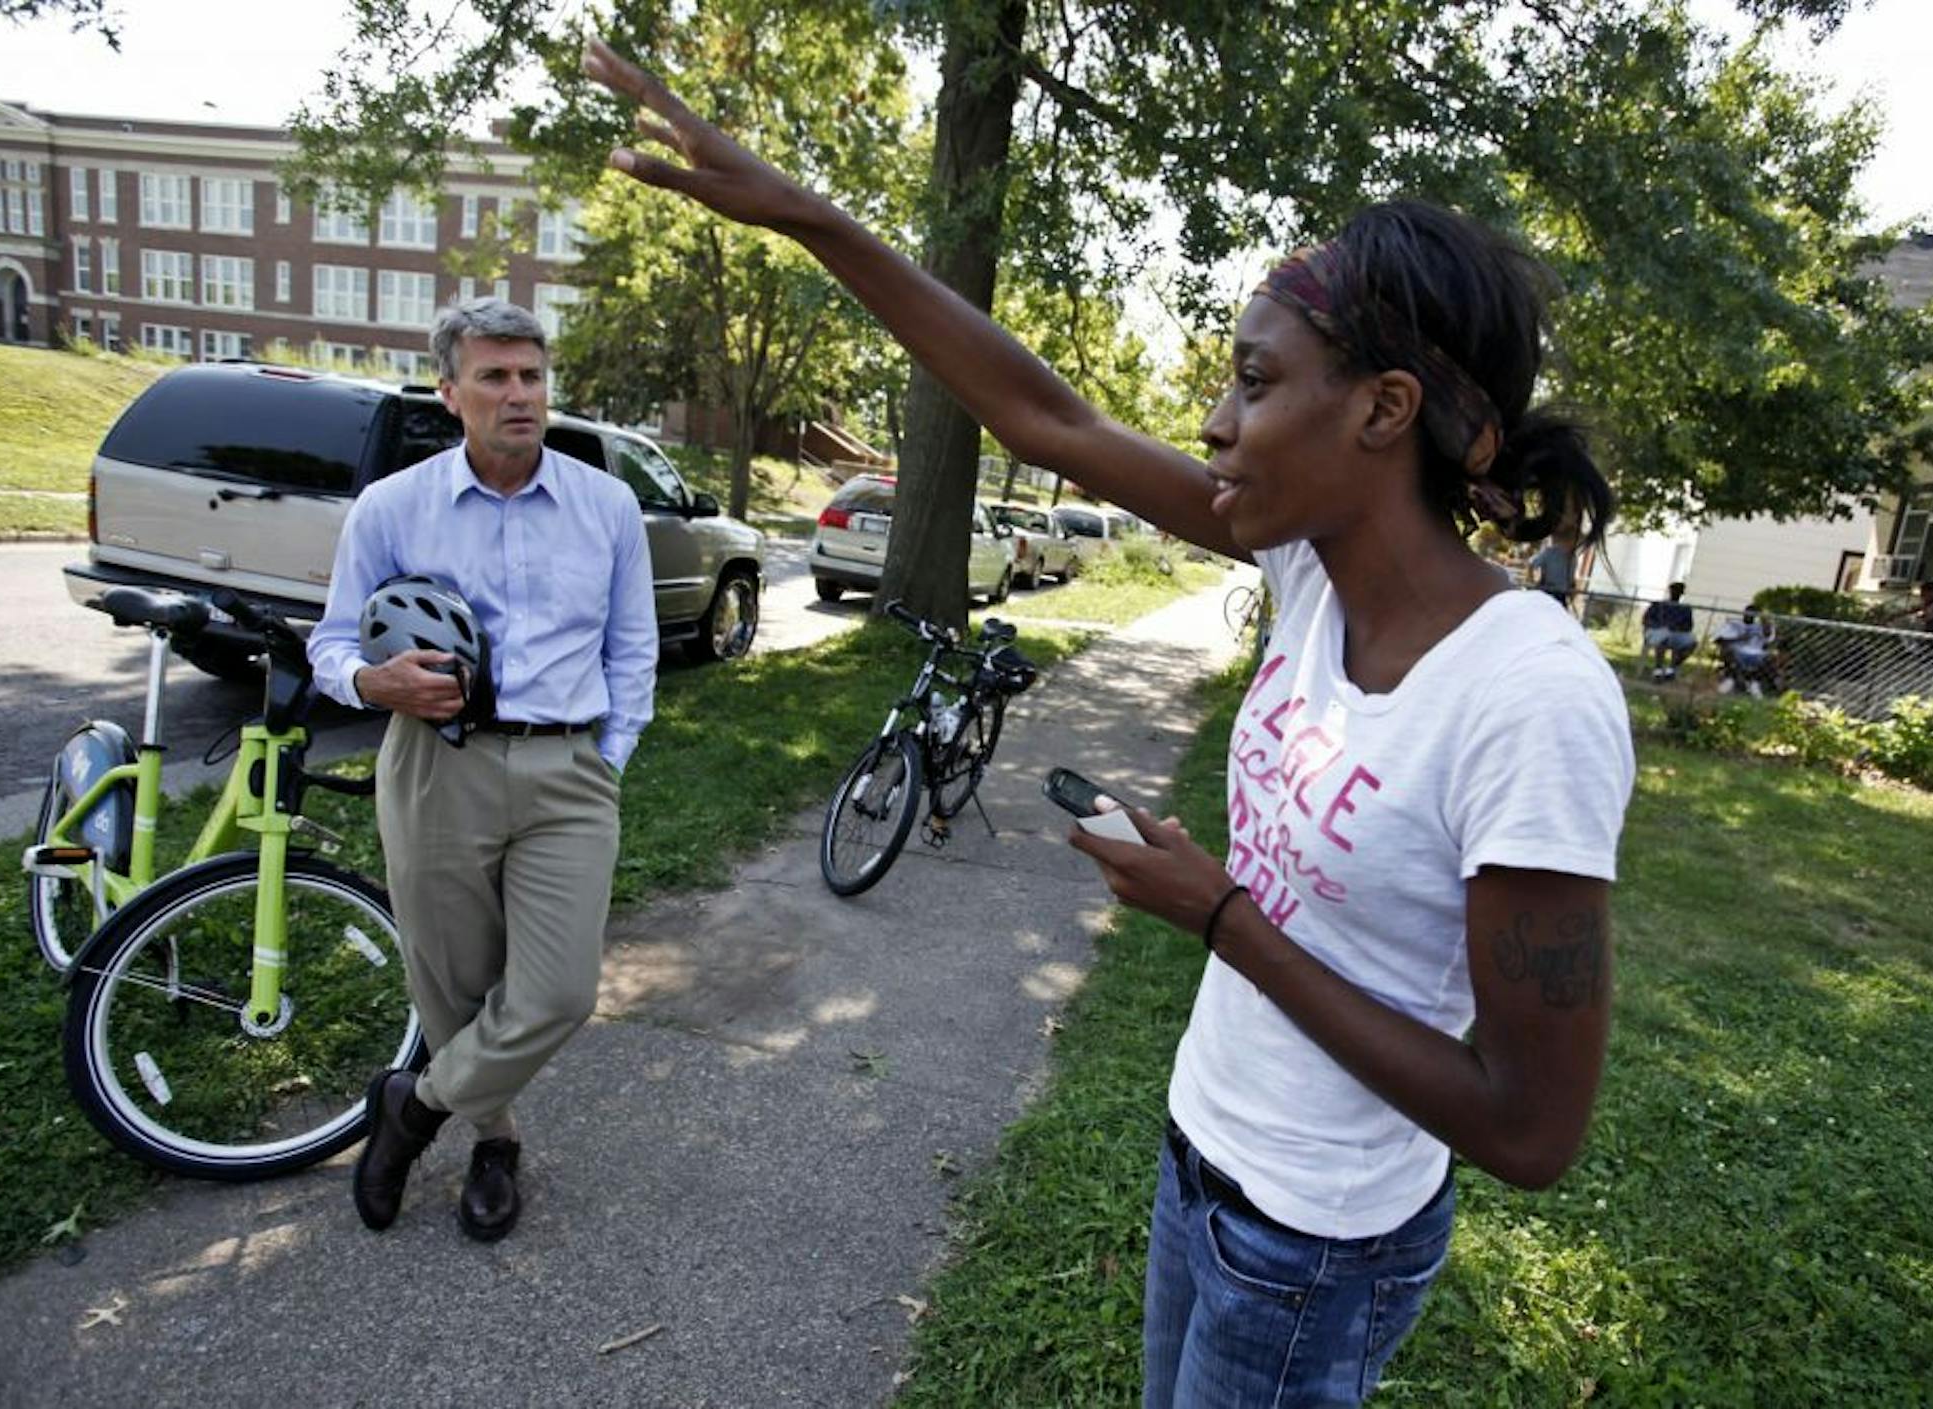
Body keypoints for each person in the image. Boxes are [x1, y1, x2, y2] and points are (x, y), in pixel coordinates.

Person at [583, 37, 1632, 1403]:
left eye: (1255, 382)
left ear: (1385, 410)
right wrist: (812, 216)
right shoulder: (1309, 568)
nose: (1213, 419)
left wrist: (1219, 916)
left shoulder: (1530, 696)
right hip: (1204, 1154)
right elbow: (1045, 415)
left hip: (1315, 1242)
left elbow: (1530, 1125)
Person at [307, 297, 658, 1242]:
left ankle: (410, 1110)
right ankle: (494, 1140)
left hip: (568, 770)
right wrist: (373, 681)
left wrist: (607, 757)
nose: (519, 394)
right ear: (449, 390)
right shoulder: (393, 507)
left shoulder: (607, 505)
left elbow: (634, 651)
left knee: (558, 991)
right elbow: (331, 643)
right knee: (453, 986)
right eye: (495, 376)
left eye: (531, 375)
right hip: (436, 767)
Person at [1713, 605, 1777, 697]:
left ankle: (1754, 683)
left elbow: (1768, 637)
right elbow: (1718, 640)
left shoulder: (1762, 627)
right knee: (1729, 651)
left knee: (1771, 656)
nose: (1751, 616)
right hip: (1737, 651)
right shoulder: (1734, 624)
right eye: (1748, 613)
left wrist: (1765, 622)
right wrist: (1740, 638)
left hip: (1756, 654)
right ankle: (1731, 680)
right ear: (1744, 613)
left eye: (1755, 614)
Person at [1641, 581, 1698, 681]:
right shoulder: (1658, 605)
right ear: (1670, 591)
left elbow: (1688, 626)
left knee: (1692, 642)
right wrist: (1659, 626)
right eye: (1674, 591)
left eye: (1679, 592)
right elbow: (1646, 620)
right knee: (1663, 636)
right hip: (1656, 632)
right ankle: (1658, 669)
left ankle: (1671, 669)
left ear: (1682, 594)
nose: (1676, 593)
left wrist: (1677, 628)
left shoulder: (1685, 609)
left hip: (1676, 634)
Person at [1529, 526, 1578, 606]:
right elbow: (1531, 563)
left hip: (1561, 595)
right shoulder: (1550, 552)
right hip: (1547, 592)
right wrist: (1531, 582)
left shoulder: (1573, 557)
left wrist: (1572, 593)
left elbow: (1571, 579)